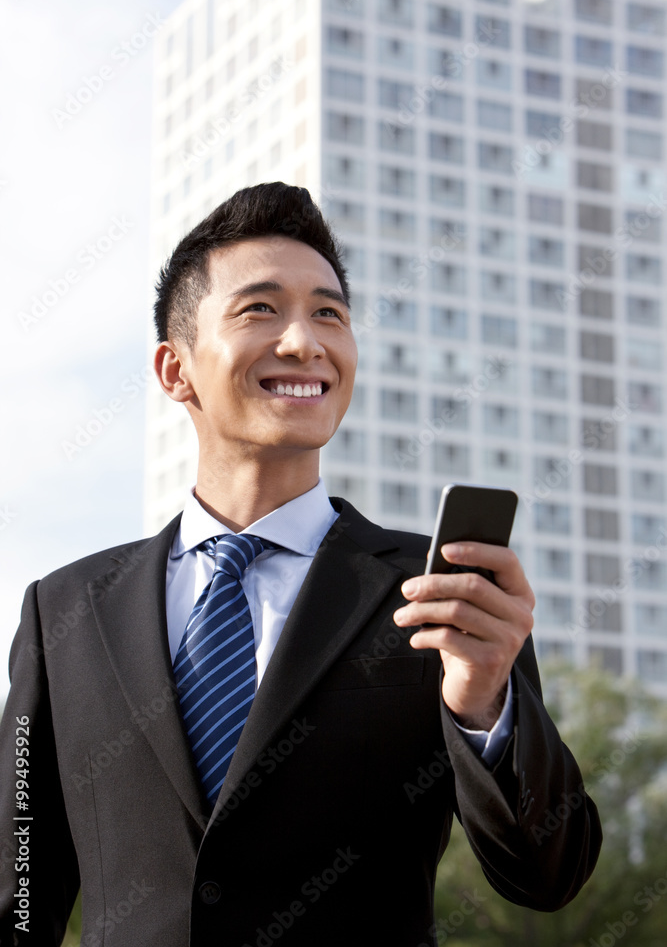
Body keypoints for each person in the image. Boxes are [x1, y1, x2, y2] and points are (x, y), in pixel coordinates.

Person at [0, 183, 601, 947]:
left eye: (329, 314)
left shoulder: (439, 595)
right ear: (174, 369)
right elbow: (18, 893)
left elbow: (549, 876)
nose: (304, 342)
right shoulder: (64, 610)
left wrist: (485, 708)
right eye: (260, 309)